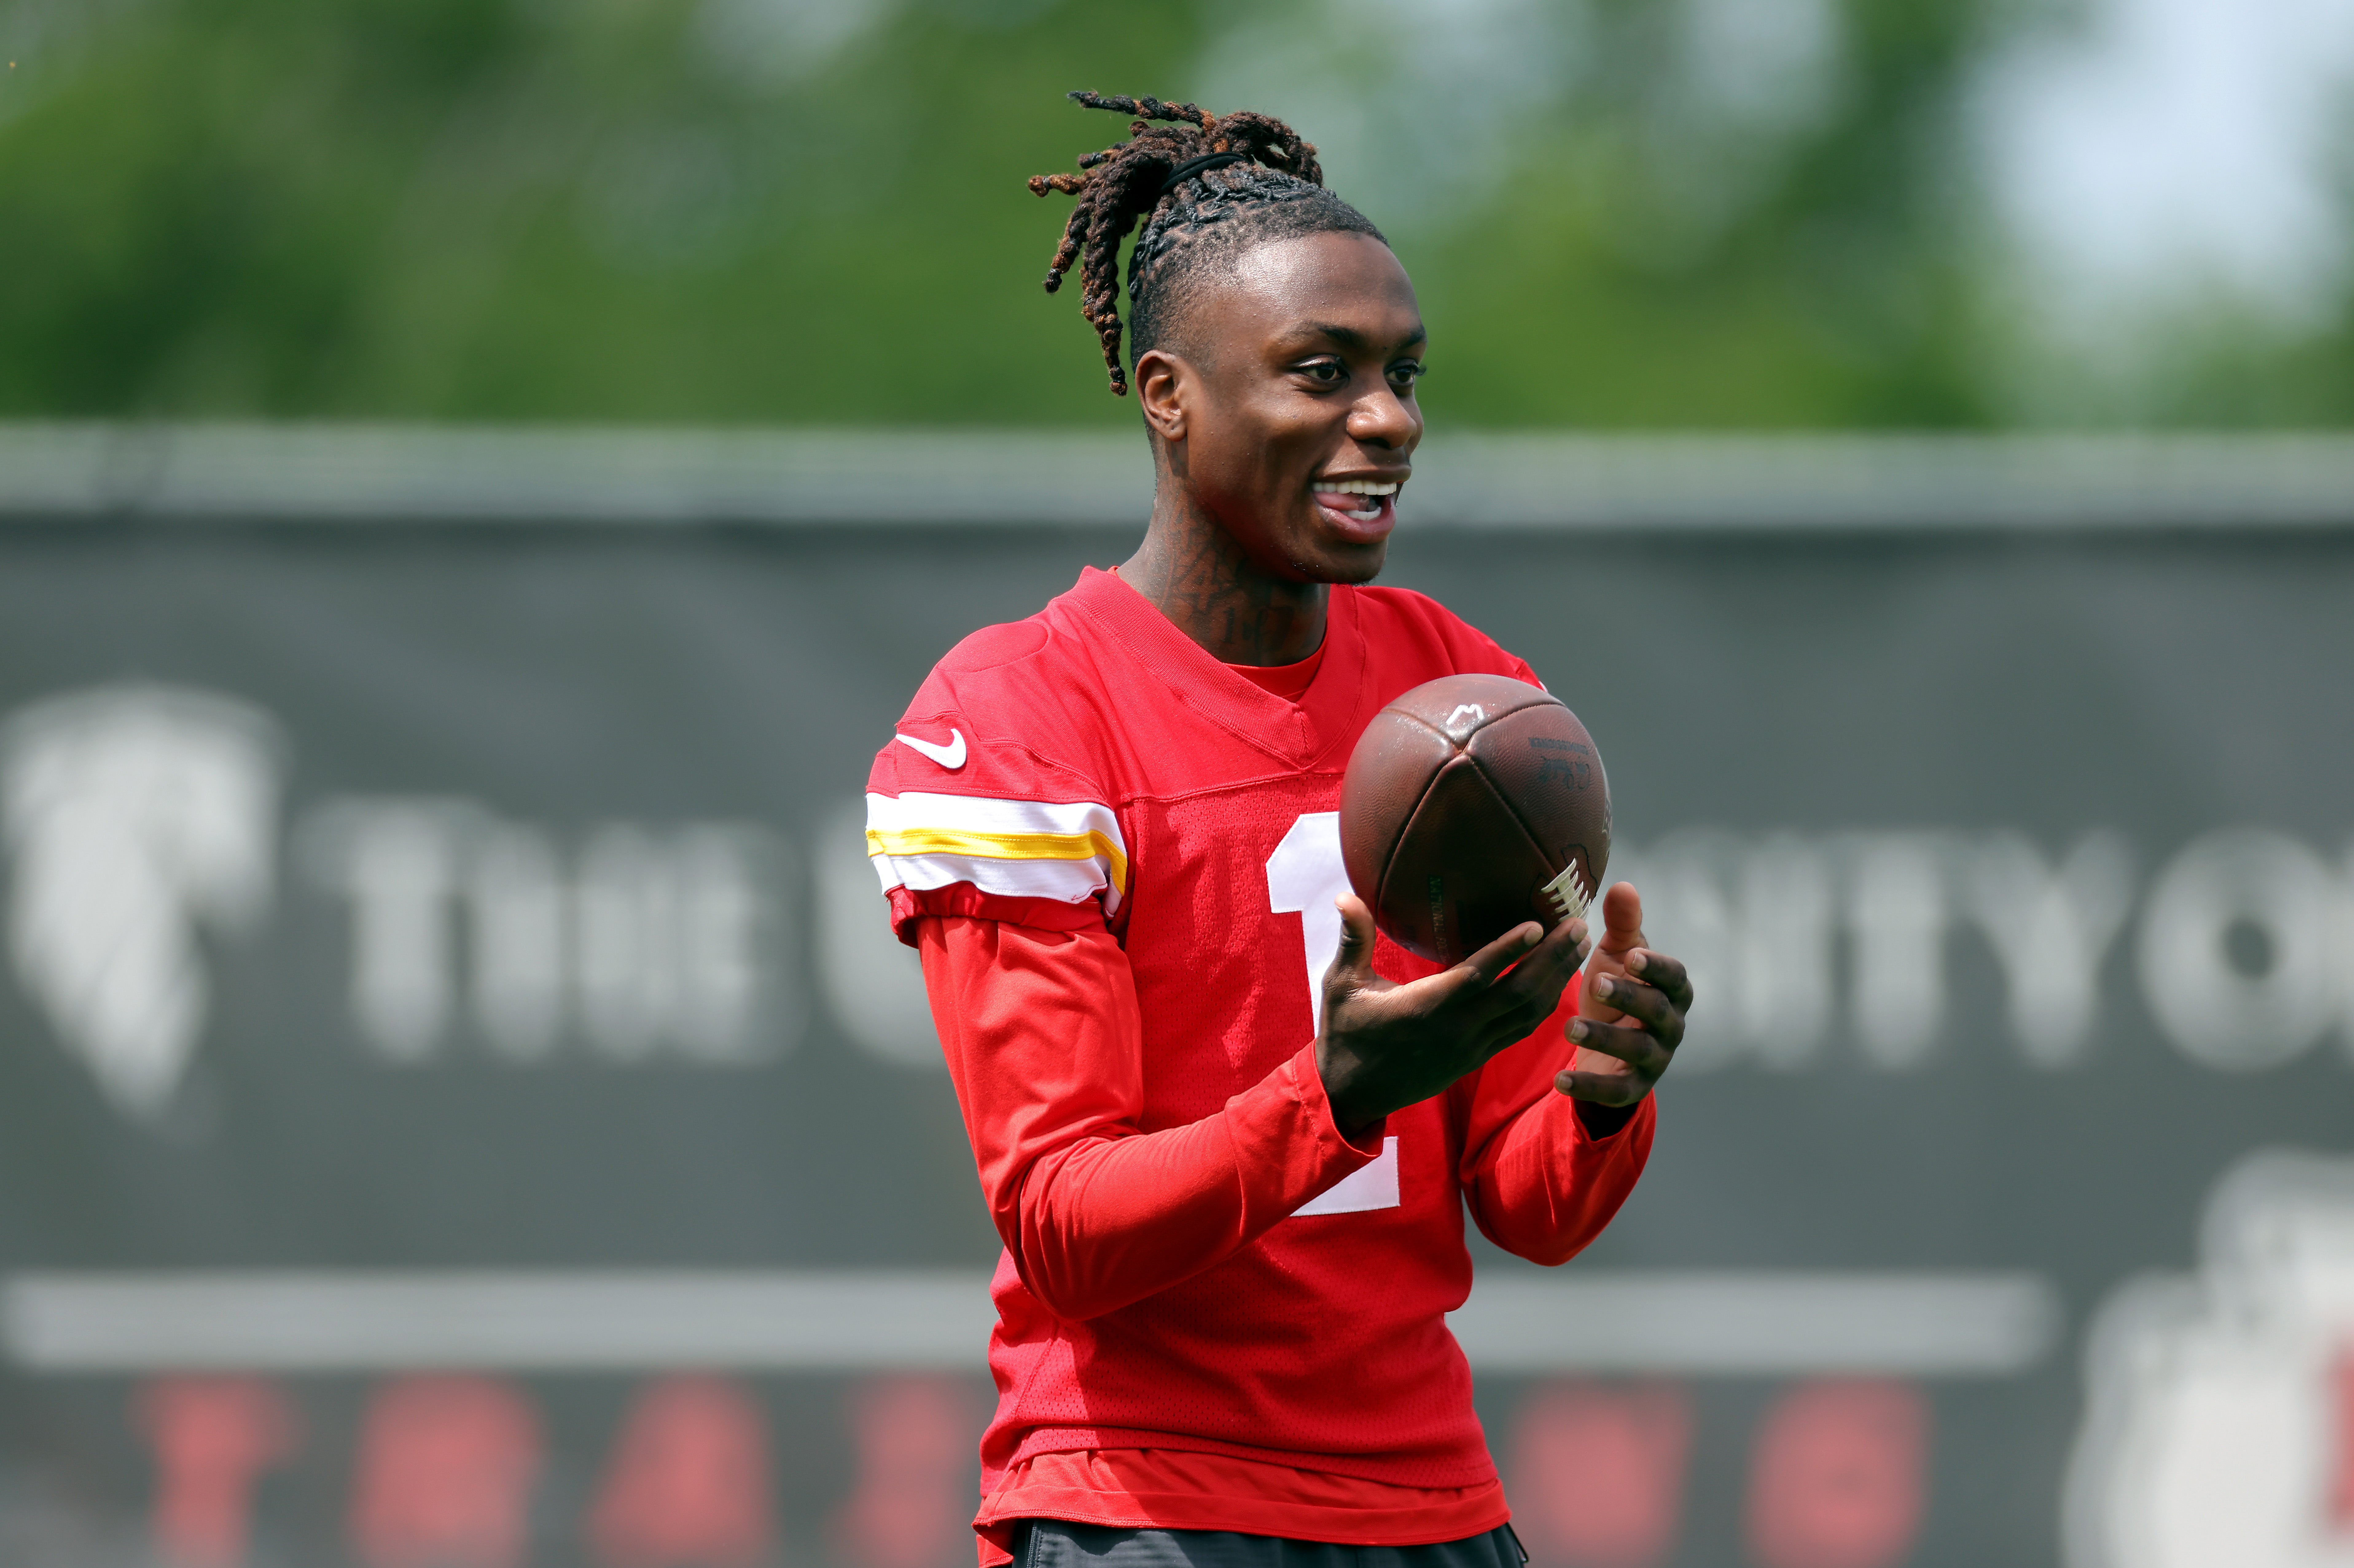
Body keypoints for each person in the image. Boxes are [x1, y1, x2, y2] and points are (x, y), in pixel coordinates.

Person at [863, 91, 1694, 1568]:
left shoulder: (1464, 690)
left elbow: (1526, 1200)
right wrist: (1343, 1087)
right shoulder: (1027, 711)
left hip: (1432, 1501)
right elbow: (1063, 1220)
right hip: (1148, 1506)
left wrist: (1604, 1094)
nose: (1387, 420)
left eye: (1403, 375)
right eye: (1323, 373)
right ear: (1169, 394)